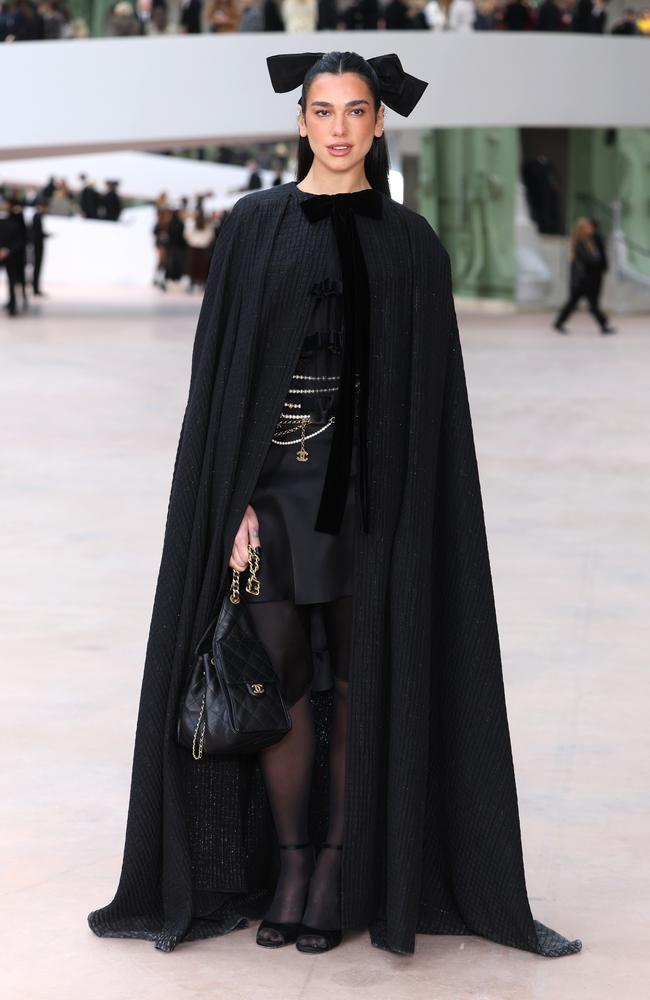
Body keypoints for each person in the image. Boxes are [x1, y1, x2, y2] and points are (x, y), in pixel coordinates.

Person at [87, 50, 582, 962]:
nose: (342, 126)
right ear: (302, 120)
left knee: (360, 684)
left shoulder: (412, 244)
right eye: (325, 109)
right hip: (272, 497)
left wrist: (408, 511)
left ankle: (341, 871)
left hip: (374, 506)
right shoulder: (251, 227)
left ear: (379, 122)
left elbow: (433, 404)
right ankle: (292, 862)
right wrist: (228, 497)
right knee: (282, 682)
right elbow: (221, 383)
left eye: (358, 109)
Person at [553, 216, 615, 334]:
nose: (590, 229)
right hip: (583, 280)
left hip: (588, 279)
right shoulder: (579, 243)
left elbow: (598, 254)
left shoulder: (590, 242)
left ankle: (559, 323)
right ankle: (603, 325)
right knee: (589, 304)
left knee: (577, 303)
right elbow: (588, 259)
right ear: (581, 229)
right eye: (587, 227)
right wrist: (598, 261)